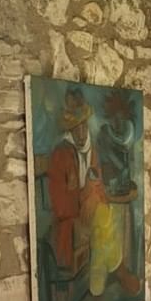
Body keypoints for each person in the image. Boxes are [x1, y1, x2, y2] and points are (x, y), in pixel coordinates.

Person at [46, 86, 103, 275]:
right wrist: (84, 198)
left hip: (91, 214)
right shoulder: (60, 154)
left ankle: (103, 272)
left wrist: (93, 198)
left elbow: (100, 186)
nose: (81, 133)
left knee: (110, 218)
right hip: (69, 223)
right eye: (76, 128)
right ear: (70, 130)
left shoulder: (92, 152)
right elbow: (59, 205)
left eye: (84, 126)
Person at [91, 91, 142, 297]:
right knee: (109, 236)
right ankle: (109, 276)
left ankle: (118, 273)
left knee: (122, 238)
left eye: (120, 117)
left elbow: (125, 158)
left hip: (120, 194)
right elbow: (104, 165)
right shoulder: (104, 135)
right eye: (114, 117)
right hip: (109, 195)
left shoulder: (126, 133)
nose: (117, 121)